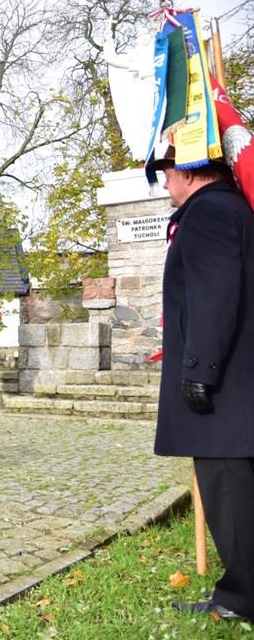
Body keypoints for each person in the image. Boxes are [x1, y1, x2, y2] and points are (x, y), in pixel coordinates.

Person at [150, 146, 254, 623]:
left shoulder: (210, 212)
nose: (164, 184)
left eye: (165, 174)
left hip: (225, 386)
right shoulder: (231, 205)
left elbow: (213, 296)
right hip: (237, 379)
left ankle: (240, 598)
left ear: (187, 171)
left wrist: (198, 370)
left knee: (229, 491)